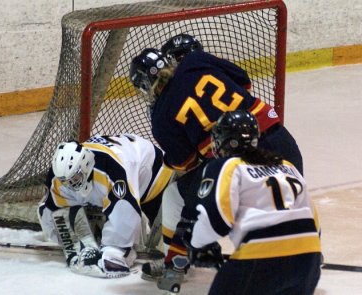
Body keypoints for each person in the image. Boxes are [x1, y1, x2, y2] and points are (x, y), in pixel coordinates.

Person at [130, 35, 303, 291]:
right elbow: (244, 81)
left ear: (145, 85)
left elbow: (186, 162)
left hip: (233, 162)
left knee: (176, 197)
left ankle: (175, 264)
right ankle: (305, 251)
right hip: (278, 139)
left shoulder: (160, 118)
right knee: (292, 193)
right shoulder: (195, 61)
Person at [185, 110, 321, 295]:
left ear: (223, 142)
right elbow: (315, 224)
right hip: (309, 259)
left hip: (262, 257)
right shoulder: (286, 165)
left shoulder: (228, 165)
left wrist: (197, 244)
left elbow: (217, 218)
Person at [37, 134, 174, 278]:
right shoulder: (63, 173)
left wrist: (113, 251)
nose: (70, 185)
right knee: (58, 210)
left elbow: (126, 208)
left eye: (75, 179)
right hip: (108, 175)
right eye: (66, 181)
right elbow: (52, 210)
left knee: (173, 241)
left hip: (152, 177)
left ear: (85, 165)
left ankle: (119, 248)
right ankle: (104, 236)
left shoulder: (112, 167)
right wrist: (77, 243)